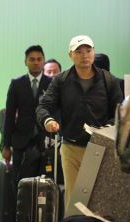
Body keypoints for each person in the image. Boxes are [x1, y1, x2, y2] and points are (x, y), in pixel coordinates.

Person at [36, 35, 122, 210]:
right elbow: (43, 106)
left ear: (93, 52)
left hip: (100, 147)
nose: (85, 55)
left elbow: (120, 111)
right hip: (71, 147)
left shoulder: (108, 80)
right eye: (79, 51)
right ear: (70, 55)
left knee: (99, 199)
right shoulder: (61, 80)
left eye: (88, 50)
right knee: (74, 200)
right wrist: (48, 120)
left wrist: (108, 127)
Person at [2, 45, 53, 183]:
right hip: (21, 140)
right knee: (18, 180)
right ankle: (19, 205)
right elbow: (10, 116)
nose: (36, 62)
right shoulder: (16, 83)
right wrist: (6, 145)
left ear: (43, 61)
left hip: (45, 140)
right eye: (32, 59)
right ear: (25, 62)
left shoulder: (52, 84)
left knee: (45, 182)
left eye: (39, 59)